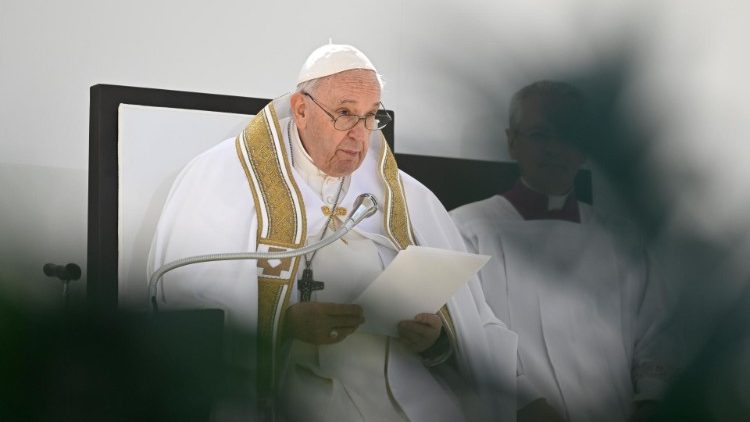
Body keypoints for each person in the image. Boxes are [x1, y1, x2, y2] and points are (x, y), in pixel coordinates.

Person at [148, 43, 522, 421]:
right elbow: (188, 313)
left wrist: (437, 341)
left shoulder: (407, 196)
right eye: (344, 114)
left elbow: (475, 325)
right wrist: (286, 326)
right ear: (301, 110)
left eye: (371, 116)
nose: (360, 135)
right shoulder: (223, 179)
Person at [450, 81, 673, 422]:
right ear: (512, 142)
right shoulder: (464, 230)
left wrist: (650, 399)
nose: (555, 149)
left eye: (567, 137)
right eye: (540, 135)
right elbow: (468, 336)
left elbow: (655, 333)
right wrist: (527, 405)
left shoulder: (622, 239)